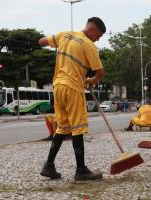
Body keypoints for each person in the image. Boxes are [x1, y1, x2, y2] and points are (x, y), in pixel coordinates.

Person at [38, 17, 106, 180]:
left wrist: (55, 43)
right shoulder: (89, 46)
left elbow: (41, 41)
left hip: (58, 87)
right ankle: (81, 170)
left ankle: (49, 165)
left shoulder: (64, 35)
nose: (98, 39)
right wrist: (92, 81)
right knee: (78, 127)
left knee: (62, 127)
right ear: (91, 30)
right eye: (98, 35)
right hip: (73, 87)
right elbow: (100, 73)